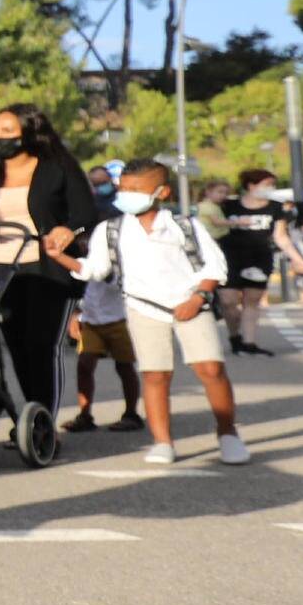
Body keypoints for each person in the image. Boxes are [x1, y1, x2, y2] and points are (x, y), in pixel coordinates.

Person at [49, 158, 245, 465]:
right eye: (123, 188)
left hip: (191, 303)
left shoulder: (184, 226)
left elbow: (214, 266)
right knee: (155, 374)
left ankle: (228, 432)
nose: (127, 194)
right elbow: (95, 270)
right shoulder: (110, 230)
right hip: (143, 307)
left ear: (162, 192)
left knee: (211, 369)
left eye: (136, 189)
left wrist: (199, 296)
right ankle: (162, 441)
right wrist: (59, 257)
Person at [0, 104, 95, 419]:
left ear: (30, 132)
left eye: (7, 131)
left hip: (46, 268)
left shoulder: (58, 167)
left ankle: (44, 418)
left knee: (41, 345)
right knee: (17, 346)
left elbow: (86, 214)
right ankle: (31, 416)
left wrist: (67, 230)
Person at [217, 168, 303, 355]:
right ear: (251, 185)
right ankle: (235, 335)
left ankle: (249, 343)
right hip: (229, 259)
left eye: (272, 184)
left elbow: (281, 236)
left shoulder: (275, 208)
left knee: (252, 300)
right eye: (267, 184)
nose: (270, 188)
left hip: (259, 258)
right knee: (228, 301)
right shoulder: (229, 206)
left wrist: (297, 259)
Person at [65, 267, 142, 434]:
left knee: (124, 366)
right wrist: (75, 313)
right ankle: (85, 415)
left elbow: (104, 274)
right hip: (91, 318)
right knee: (84, 364)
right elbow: (77, 281)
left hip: (120, 317)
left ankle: (131, 414)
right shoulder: (85, 245)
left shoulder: (117, 246)